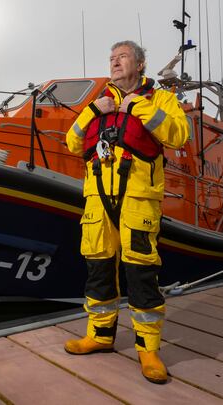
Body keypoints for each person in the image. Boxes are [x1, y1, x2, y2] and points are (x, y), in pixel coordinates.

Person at [64, 41, 189, 384]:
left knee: (141, 273)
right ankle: (100, 336)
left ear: (141, 63)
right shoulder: (98, 103)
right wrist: (94, 111)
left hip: (138, 198)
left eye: (122, 56)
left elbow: (179, 134)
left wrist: (139, 109)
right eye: (111, 58)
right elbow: (72, 142)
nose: (114, 62)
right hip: (97, 200)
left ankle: (148, 349)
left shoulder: (159, 99)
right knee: (98, 268)